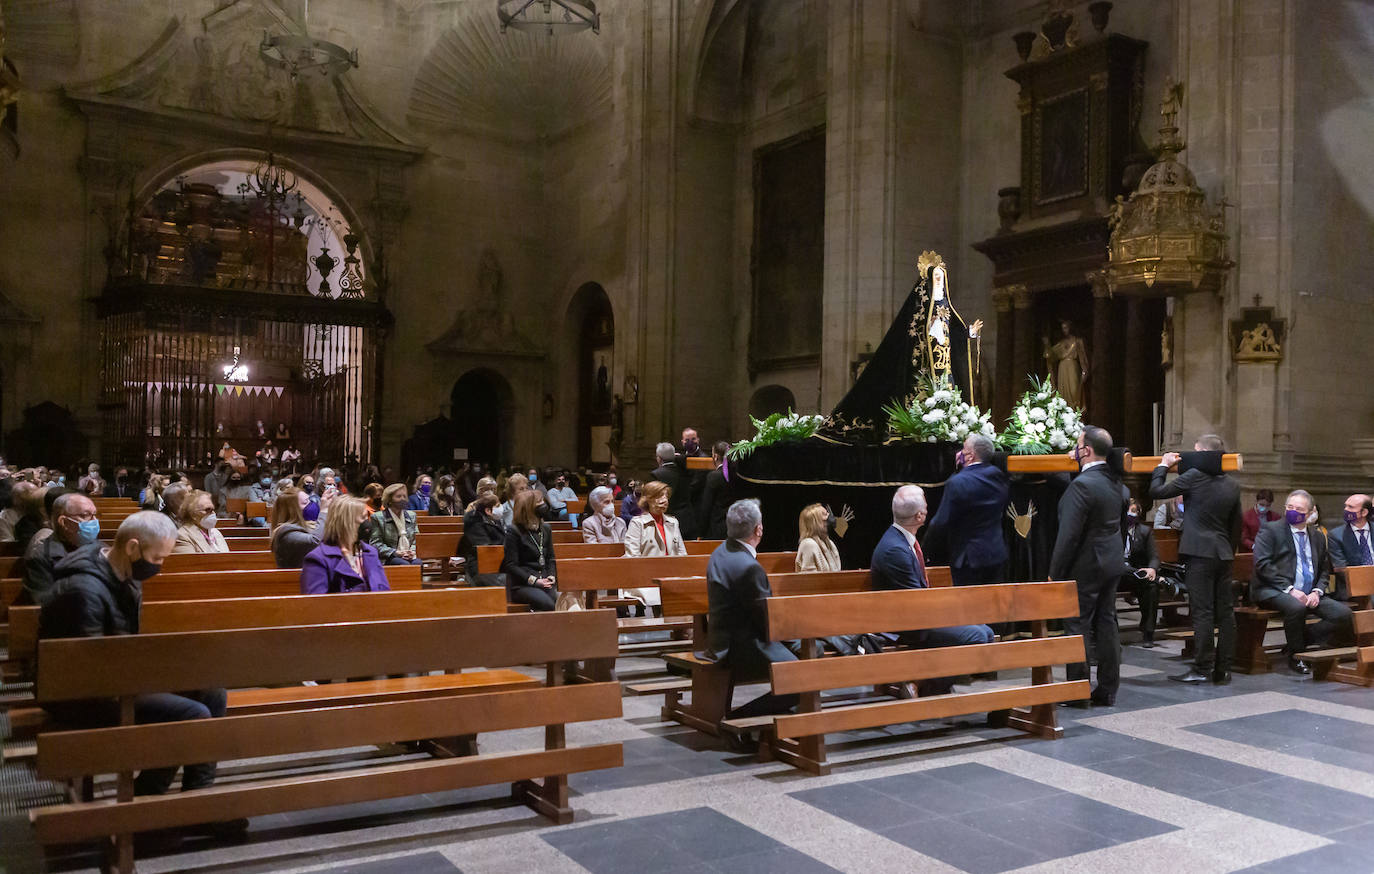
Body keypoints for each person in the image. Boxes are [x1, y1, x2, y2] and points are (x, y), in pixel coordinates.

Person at [38, 512, 238, 813]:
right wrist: (151, 674)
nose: (158, 566)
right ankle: (146, 804)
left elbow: (123, 647)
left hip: (116, 676)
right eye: (157, 558)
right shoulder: (84, 590)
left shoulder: (121, 571)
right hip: (79, 694)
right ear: (133, 548)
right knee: (191, 713)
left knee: (212, 691)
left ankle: (198, 798)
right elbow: (87, 668)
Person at [872, 485, 996, 700]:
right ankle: (927, 685)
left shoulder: (902, 540)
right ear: (920, 516)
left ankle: (928, 683)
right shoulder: (895, 550)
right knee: (977, 636)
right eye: (926, 508)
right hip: (907, 626)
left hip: (919, 616)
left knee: (986, 632)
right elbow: (917, 603)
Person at [1149, 434, 1243, 684]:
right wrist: (1229, 551)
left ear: (1203, 453)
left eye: (1195, 450)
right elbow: (1236, 525)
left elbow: (1156, 490)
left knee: (1202, 612)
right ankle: (1223, 670)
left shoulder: (1194, 477)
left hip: (1199, 553)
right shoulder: (1232, 485)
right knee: (1225, 613)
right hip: (1223, 554)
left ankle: (1202, 669)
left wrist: (1162, 466)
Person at [1049, 426, 1129, 706]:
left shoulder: (1082, 486)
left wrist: (1054, 573)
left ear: (1086, 451)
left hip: (1086, 564)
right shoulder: (1117, 483)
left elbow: (1068, 536)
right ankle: (1108, 689)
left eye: (1077, 445)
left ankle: (1077, 691)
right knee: (1107, 623)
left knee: (1077, 624)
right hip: (1112, 560)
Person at [706, 498, 798, 720]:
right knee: (800, 677)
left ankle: (786, 718)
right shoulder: (748, 567)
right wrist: (797, 640)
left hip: (722, 640)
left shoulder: (720, 552)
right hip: (741, 645)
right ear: (759, 529)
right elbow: (767, 621)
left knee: (808, 655)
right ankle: (739, 720)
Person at [1251, 489, 1353, 675]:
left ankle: (1302, 638)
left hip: (1309, 591)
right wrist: (1290, 589)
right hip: (1273, 588)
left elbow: (1323, 569)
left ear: (1310, 512)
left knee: (1344, 614)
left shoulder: (1317, 536)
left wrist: (1317, 591)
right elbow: (1263, 565)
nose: (1293, 511)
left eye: (1298, 508)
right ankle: (1296, 656)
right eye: (1289, 507)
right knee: (1296, 607)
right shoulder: (1271, 530)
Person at [922, 433, 1009, 586]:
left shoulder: (957, 482)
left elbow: (940, 522)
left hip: (968, 559)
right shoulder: (999, 476)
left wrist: (924, 553)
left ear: (970, 456)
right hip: (996, 554)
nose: (960, 453)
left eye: (963, 449)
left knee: (969, 607)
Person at [300, 497, 390, 594]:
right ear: (346, 522)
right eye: (363, 517)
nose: (367, 522)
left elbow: (384, 591)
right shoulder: (318, 558)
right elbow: (314, 604)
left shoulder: (370, 552)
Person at [23, 492, 98, 604]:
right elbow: (44, 602)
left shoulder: (100, 549)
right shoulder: (40, 556)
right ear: (64, 522)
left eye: (95, 514)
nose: (94, 521)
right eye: (85, 515)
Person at [624, 480, 688, 613]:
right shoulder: (638, 523)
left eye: (666, 496)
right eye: (659, 496)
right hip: (647, 577)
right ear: (648, 499)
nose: (664, 500)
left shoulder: (673, 522)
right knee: (658, 594)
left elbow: (682, 555)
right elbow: (633, 557)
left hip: (671, 576)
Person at [501, 490, 558, 611]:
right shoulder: (514, 531)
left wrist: (551, 576)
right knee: (548, 605)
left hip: (545, 580)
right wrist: (535, 581)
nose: (543, 504)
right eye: (539, 502)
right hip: (522, 584)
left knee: (559, 601)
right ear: (529, 508)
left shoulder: (546, 528)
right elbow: (511, 565)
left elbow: (550, 558)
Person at [1123, 497, 1162, 647]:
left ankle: (1148, 632)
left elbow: (1154, 556)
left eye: (1134, 511)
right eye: (1128, 511)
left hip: (1137, 576)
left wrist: (1152, 569)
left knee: (1151, 587)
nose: (1130, 514)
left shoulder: (1144, 531)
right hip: (1118, 574)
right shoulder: (1115, 530)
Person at [1329, 494, 1374, 597]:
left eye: (1351, 507)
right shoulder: (1336, 535)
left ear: (1364, 512)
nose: (1346, 510)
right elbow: (1340, 568)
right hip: (1353, 586)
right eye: (1346, 506)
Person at [651, 442, 698, 540]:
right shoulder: (685, 471)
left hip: (666, 521)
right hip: (687, 521)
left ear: (659, 458)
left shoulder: (656, 475)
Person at [459, 493, 506, 587]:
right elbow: (486, 549)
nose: (501, 508)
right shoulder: (475, 524)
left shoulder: (494, 520)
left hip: (498, 563)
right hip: (480, 566)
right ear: (488, 510)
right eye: (497, 506)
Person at [269, 486, 319, 569]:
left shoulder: (308, 525)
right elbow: (316, 541)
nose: (311, 504)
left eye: (309, 500)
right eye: (305, 502)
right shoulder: (286, 532)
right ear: (293, 510)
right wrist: (324, 511)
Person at [370, 483, 421, 565]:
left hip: (410, 554)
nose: (403, 499)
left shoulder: (412, 515)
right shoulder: (378, 517)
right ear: (389, 500)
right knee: (404, 564)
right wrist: (395, 552)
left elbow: (416, 539)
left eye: (404, 496)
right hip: (389, 556)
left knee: (418, 563)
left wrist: (412, 551)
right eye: (398, 496)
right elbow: (375, 543)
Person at [171, 489, 229, 554]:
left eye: (213, 509)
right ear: (193, 514)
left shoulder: (215, 532)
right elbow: (190, 563)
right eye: (208, 510)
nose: (213, 513)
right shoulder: (182, 536)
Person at [696, 441, 733, 541]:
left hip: (717, 528)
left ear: (715, 456)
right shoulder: (736, 475)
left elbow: (706, 506)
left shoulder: (714, 476)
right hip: (735, 527)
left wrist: (701, 532)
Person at [795, 503, 841, 572]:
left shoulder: (830, 543)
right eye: (825, 514)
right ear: (814, 523)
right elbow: (809, 579)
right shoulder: (808, 545)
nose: (829, 517)